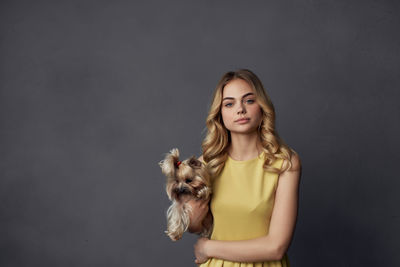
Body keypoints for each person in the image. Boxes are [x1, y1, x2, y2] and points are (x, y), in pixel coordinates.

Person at [186, 69, 301, 266]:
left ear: (262, 106)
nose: (240, 109)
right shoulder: (208, 162)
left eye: (249, 100)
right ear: (220, 113)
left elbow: (276, 247)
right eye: (229, 104)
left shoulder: (285, 162)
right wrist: (191, 217)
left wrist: (208, 248)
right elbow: (196, 225)